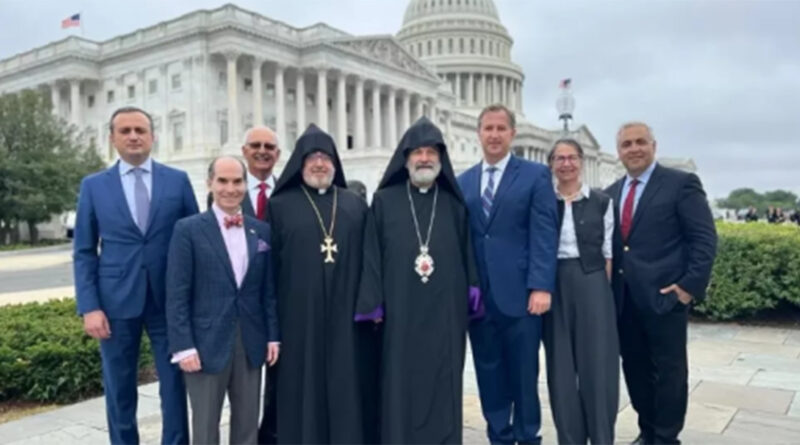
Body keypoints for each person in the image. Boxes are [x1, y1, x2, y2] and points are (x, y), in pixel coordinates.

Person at [73, 106, 197, 444]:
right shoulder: (94, 186)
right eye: (125, 131)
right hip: (114, 302)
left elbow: (194, 242)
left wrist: (193, 300)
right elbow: (84, 251)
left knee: (174, 384)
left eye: (140, 130)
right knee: (119, 387)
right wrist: (90, 306)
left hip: (168, 301)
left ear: (152, 136)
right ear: (112, 138)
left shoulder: (178, 181)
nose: (133, 136)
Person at [358, 117, 481, 444]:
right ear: (406, 158)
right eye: (417, 152)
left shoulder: (454, 204)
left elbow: (467, 250)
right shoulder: (384, 201)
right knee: (400, 380)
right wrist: (372, 303)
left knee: (444, 380)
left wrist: (472, 290)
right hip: (400, 309)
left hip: (445, 311)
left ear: (440, 158)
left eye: (431, 152)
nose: (424, 158)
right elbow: (371, 253)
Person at [605, 122, 717, 444]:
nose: (634, 149)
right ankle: (648, 431)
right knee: (635, 370)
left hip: (666, 297)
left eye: (641, 142)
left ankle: (667, 437)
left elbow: (704, 239)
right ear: (619, 152)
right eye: (627, 144)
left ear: (653, 146)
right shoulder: (610, 193)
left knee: (670, 373)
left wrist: (688, 288)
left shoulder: (680, 184)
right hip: (625, 301)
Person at [457, 104, 559, 445]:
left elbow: (544, 232)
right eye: (488, 128)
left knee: (524, 375)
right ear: (479, 134)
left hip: (521, 296)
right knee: (489, 375)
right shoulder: (464, 182)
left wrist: (541, 286)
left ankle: (528, 437)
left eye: (501, 128)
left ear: (512, 134)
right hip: (480, 300)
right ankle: (499, 437)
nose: (494, 135)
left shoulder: (534, 175)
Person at [165, 156, 279, 444]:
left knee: (247, 426)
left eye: (237, 181)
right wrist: (183, 346)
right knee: (205, 428)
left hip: (250, 342)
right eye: (223, 181)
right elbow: (177, 294)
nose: (230, 188)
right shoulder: (188, 230)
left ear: (245, 184)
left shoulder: (261, 230)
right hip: (204, 344)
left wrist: (272, 336)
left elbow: (266, 291)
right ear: (210, 184)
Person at [268, 124, 367, 444]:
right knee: (301, 385)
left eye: (326, 157)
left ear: (335, 163)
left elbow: (370, 260)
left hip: (347, 315)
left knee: (346, 383)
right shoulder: (280, 206)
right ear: (300, 163)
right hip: (297, 318)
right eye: (312, 157)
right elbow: (269, 268)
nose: (320, 164)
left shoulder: (354, 204)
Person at [542, 139, 618, 444]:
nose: (566, 164)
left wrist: (600, 293)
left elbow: (608, 252)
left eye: (571, 157)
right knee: (560, 366)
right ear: (551, 164)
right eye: (559, 158)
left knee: (598, 365)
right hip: (554, 282)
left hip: (592, 280)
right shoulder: (544, 201)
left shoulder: (601, 202)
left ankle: (601, 437)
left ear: (581, 161)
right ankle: (569, 438)